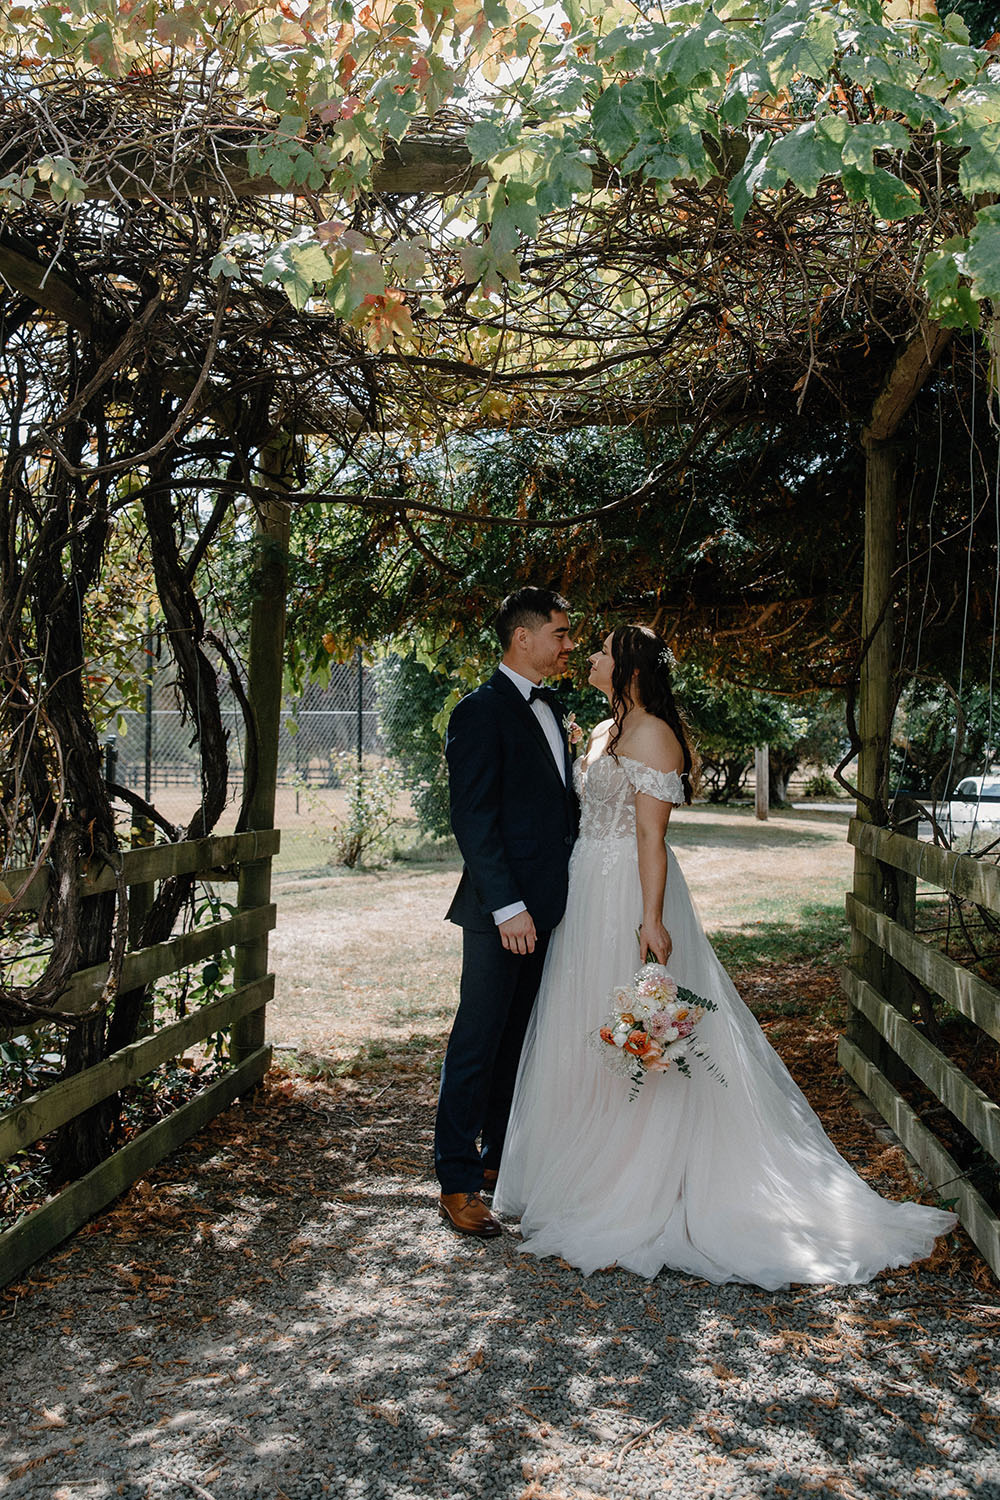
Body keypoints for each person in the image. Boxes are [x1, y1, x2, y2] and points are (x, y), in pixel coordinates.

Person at [494, 625, 957, 1287]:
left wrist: (650, 921)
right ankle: (578, 1168)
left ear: (626, 668)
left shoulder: (652, 733)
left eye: (599, 650)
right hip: (585, 889)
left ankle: (639, 1175)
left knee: (640, 1035)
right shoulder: (601, 730)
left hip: (629, 892)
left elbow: (651, 837)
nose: (588, 656)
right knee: (583, 1024)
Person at [435, 586, 580, 1237]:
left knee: (520, 1041)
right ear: (523, 637)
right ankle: (457, 1179)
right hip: (503, 913)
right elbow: (474, 819)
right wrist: (509, 906)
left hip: (549, 909)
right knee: (478, 1040)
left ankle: (497, 1160)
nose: (568, 642)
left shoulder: (554, 708)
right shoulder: (479, 711)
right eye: (560, 631)